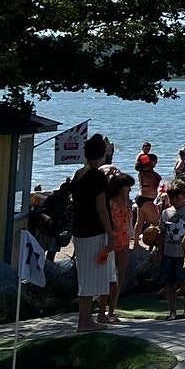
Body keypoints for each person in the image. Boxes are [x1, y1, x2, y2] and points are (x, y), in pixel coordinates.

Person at [70, 134, 114, 332]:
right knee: (89, 277)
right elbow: (101, 208)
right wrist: (110, 232)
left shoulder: (79, 174)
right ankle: (85, 321)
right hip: (93, 230)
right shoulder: (97, 176)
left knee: (85, 275)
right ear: (102, 154)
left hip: (79, 229)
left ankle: (86, 319)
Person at [158, 180, 185, 319]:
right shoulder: (165, 212)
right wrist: (159, 251)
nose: (174, 201)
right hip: (168, 252)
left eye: (178, 198)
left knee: (184, 281)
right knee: (169, 282)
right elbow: (162, 233)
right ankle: (172, 311)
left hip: (184, 253)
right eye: (171, 198)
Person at [104, 172, 135, 322]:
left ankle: (112, 310)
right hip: (111, 242)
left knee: (120, 276)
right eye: (127, 187)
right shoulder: (110, 203)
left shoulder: (128, 203)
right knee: (108, 276)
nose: (129, 189)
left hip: (124, 241)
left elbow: (129, 224)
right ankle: (104, 309)